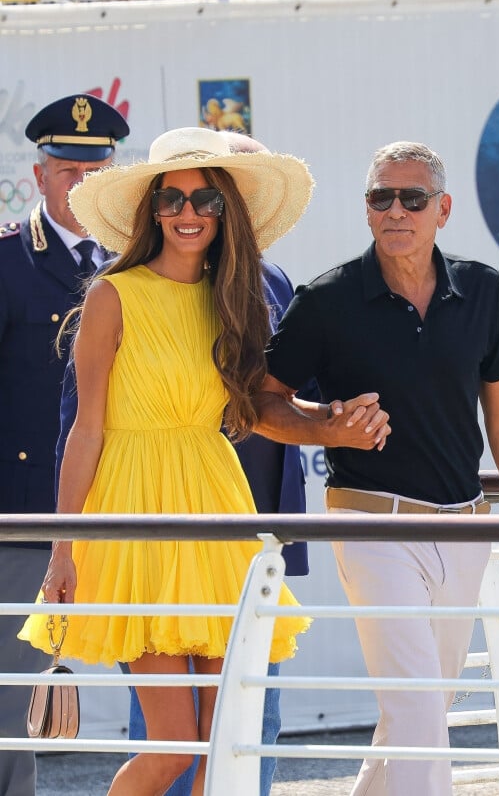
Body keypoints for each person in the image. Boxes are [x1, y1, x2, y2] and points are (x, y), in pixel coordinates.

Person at [251, 140, 499, 796]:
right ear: (366, 211)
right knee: (421, 713)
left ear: (442, 210)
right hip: (372, 527)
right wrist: (325, 426)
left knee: (415, 715)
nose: (396, 210)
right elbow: (257, 402)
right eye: (380, 197)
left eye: (412, 198)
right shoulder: (327, 299)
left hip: (465, 531)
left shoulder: (482, 289)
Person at [18, 126, 318, 796]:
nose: (187, 213)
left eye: (205, 201)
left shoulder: (234, 300)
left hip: (215, 509)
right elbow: (85, 430)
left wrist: (343, 423)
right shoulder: (113, 295)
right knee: (174, 745)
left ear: (224, 213)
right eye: (172, 199)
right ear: (152, 211)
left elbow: (262, 407)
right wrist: (64, 548)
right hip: (135, 516)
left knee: (223, 743)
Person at [0, 93, 129, 796]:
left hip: (132, 503)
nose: (81, 185)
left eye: (95, 171)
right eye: (67, 171)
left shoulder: (143, 263)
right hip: (29, 514)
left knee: (165, 671)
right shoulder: (9, 263)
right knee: (10, 700)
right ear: (40, 174)